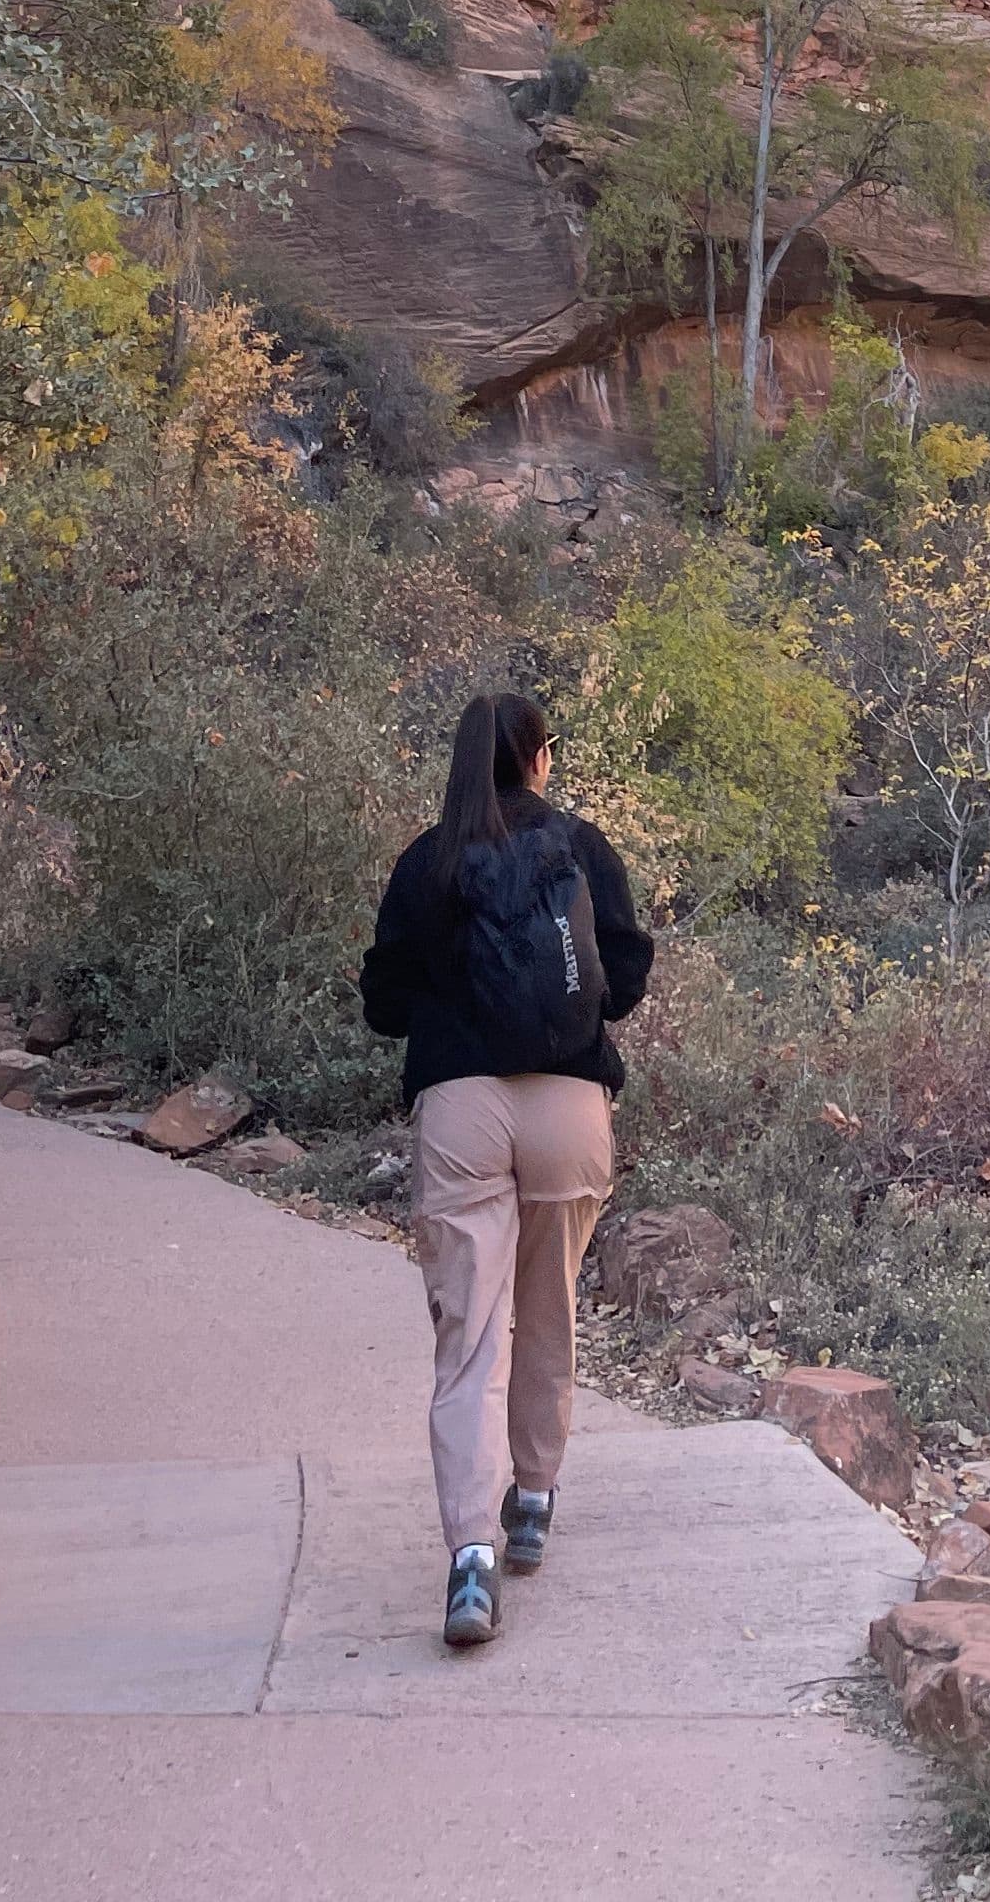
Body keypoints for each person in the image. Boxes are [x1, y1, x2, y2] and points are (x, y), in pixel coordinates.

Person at [360, 690, 654, 1650]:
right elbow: (629, 978)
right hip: (568, 1106)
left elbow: (384, 1003)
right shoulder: (582, 846)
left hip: (461, 1110)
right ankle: (533, 1496)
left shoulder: (427, 860)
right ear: (540, 757)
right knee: (552, 1304)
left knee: (469, 1335)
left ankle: (471, 1561)